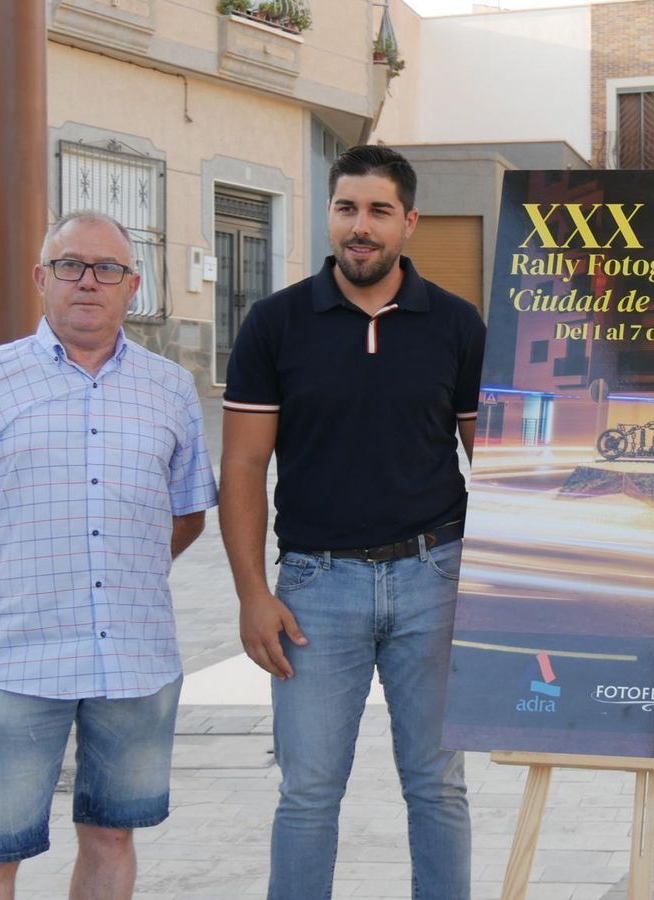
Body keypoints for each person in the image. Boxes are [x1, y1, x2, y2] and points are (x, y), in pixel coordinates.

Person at [0, 211, 217, 899]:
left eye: (108, 268)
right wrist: (6, 579)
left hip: (136, 660)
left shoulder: (171, 390)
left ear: (132, 286)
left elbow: (187, 514)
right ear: (40, 278)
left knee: (113, 835)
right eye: (71, 265)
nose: (89, 280)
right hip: (21, 657)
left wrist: (119, 574)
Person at [220, 145, 485, 900]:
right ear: (330, 216)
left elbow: (486, 464)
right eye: (346, 209)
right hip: (313, 590)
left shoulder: (457, 326)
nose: (359, 227)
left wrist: (498, 592)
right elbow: (242, 468)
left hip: (435, 577)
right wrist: (250, 594)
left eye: (377, 211)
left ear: (409, 221)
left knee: (437, 787)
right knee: (306, 795)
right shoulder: (275, 325)